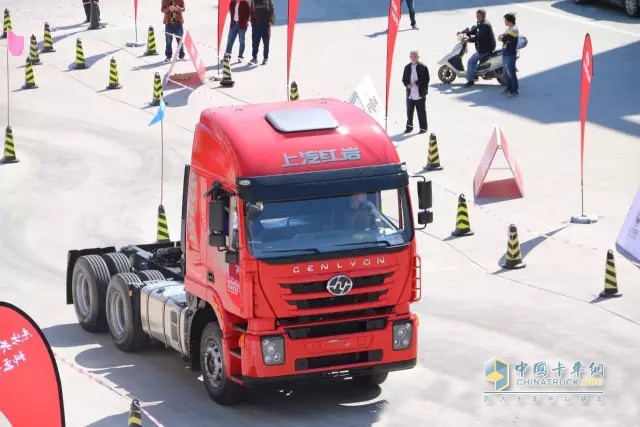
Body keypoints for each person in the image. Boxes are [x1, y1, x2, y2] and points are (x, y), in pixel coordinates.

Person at [459, 9, 496, 87]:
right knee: (474, 60)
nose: (476, 17)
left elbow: (480, 37)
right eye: (476, 15)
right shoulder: (481, 23)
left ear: (483, 16)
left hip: (485, 49)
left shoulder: (485, 25)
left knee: (471, 61)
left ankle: (470, 80)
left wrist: (468, 40)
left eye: (478, 15)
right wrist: (465, 33)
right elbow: (475, 31)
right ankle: (474, 74)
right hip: (484, 47)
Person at [401, 50, 430, 135]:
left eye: (415, 56)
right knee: (409, 111)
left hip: (419, 93)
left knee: (421, 111)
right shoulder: (407, 67)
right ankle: (409, 127)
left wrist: (416, 83)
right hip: (410, 94)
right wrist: (407, 85)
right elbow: (404, 79)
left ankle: (423, 128)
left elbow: (426, 79)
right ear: (410, 57)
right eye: (412, 56)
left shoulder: (423, 67)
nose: (413, 58)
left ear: (418, 57)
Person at [498, 13, 519, 98]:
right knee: (507, 72)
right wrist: (502, 37)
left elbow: (503, 38)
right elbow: (502, 37)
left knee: (511, 73)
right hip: (506, 52)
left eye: (505, 20)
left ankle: (514, 91)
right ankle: (509, 89)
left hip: (510, 53)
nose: (504, 22)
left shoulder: (513, 30)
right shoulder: (509, 29)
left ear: (509, 21)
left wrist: (502, 38)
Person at [249, 0, 275, 65]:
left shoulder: (268, 1)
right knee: (255, 42)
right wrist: (252, 22)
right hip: (256, 25)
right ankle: (254, 58)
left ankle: (265, 58)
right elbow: (251, 11)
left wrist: (270, 22)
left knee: (266, 43)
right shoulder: (253, 1)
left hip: (266, 25)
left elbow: (272, 11)